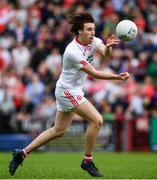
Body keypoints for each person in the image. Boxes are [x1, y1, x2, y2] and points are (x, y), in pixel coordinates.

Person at [9, 11, 130, 177]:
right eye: (88, 29)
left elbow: (105, 53)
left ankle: (21, 153)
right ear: (80, 31)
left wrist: (108, 48)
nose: (92, 33)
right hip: (67, 91)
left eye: (93, 29)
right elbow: (94, 73)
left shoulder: (94, 41)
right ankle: (87, 160)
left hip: (71, 89)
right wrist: (117, 77)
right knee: (97, 120)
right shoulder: (72, 51)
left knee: (58, 130)